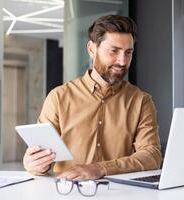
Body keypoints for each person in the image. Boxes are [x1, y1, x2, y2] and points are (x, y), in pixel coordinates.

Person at [23, 15, 162, 180]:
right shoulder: (59, 97)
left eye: (128, 53)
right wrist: (33, 163)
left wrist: (100, 169)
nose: (122, 61)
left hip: (122, 193)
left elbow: (151, 156)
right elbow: (39, 155)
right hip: (68, 192)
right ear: (91, 49)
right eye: (114, 51)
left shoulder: (141, 101)